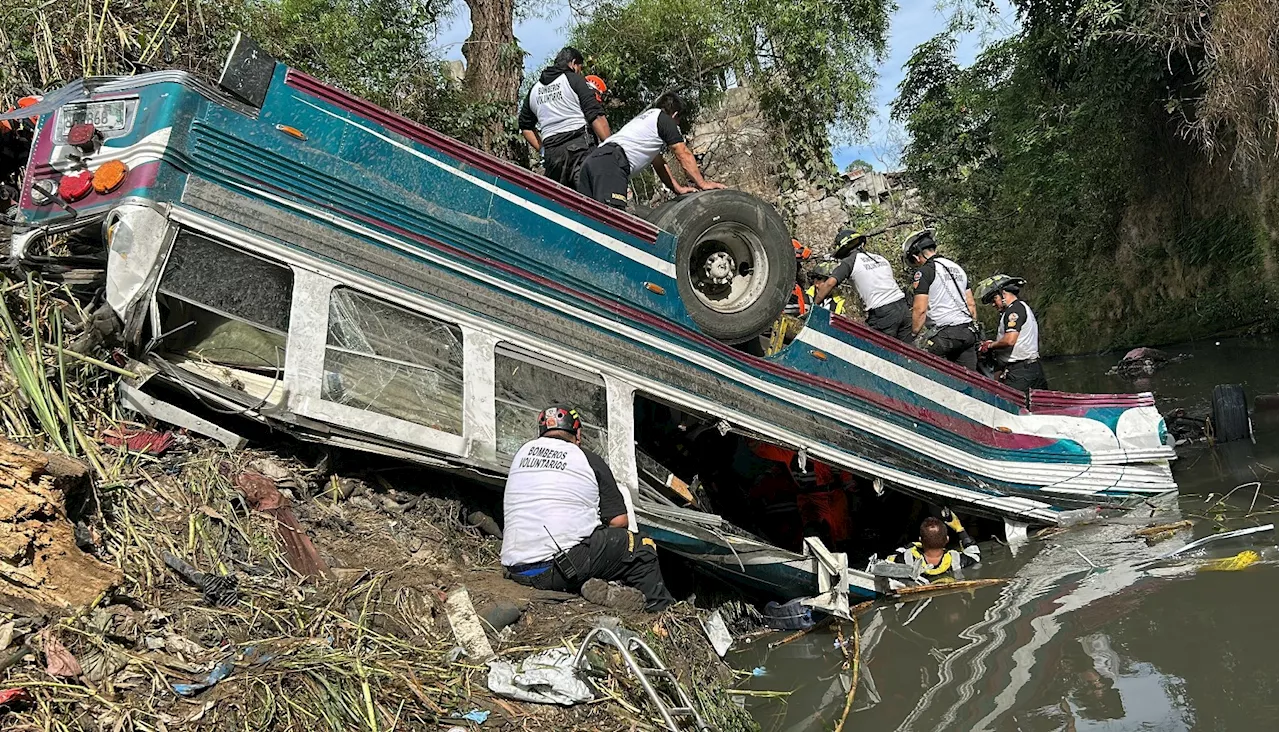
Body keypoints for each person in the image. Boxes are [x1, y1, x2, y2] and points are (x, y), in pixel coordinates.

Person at [501, 405, 675, 612]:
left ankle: (602, 588)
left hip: (515, 568)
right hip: (556, 570)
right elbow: (619, 521)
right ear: (578, 434)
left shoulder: (521, 454)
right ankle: (660, 614)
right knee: (640, 546)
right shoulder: (587, 458)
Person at [576, 92, 724, 209]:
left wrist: (678, 189)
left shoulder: (647, 121)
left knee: (589, 220)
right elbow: (683, 153)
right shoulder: (665, 120)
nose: (677, 124)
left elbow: (659, 164)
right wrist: (702, 183)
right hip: (610, 164)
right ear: (675, 115)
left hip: (592, 162)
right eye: (678, 120)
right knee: (610, 221)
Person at [518, 47, 612, 188]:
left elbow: (525, 126)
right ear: (574, 63)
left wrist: (543, 149)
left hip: (552, 156)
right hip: (580, 149)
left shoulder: (534, 90)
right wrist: (611, 147)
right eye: (580, 68)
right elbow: (596, 117)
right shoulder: (574, 80)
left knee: (563, 202)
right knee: (592, 197)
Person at [810, 229, 910, 339]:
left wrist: (814, 305)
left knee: (874, 350)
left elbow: (829, 284)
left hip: (883, 313)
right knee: (905, 352)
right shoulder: (880, 258)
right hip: (903, 308)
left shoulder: (849, 262)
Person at [903, 229, 980, 369]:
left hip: (945, 335)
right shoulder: (957, 268)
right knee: (967, 380)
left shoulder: (925, 271)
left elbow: (920, 310)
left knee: (915, 362)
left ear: (916, 257)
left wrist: (913, 334)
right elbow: (971, 305)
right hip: (968, 332)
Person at [976, 274, 1050, 392]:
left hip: (1020, 373)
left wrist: (989, 346)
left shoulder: (1014, 310)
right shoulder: (1021, 307)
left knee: (1010, 407)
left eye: (994, 299)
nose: (993, 304)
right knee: (1039, 408)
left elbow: (1010, 340)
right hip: (1031, 367)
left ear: (1003, 294)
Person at [885, 508, 981, 582]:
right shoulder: (957, 560)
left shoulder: (905, 559)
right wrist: (960, 529)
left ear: (920, 540)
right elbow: (975, 554)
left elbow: (890, 559)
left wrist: (911, 545)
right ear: (947, 539)